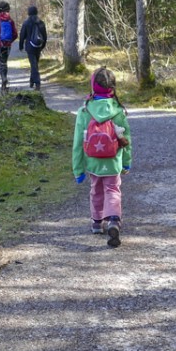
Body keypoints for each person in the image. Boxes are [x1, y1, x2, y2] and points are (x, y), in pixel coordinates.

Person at [72, 67, 132, 247]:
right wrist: (126, 163)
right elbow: (126, 139)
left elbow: (77, 143)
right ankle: (114, 220)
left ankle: (97, 222)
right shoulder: (119, 111)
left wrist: (78, 169)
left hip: (93, 162)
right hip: (113, 161)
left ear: (93, 87)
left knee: (95, 190)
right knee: (113, 190)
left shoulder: (84, 111)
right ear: (112, 88)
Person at [17, 5, 47, 90]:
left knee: (33, 65)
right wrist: (43, 45)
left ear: (28, 13)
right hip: (38, 47)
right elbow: (44, 36)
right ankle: (31, 81)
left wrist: (21, 46)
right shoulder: (41, 22)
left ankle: (37, 83)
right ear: (36, 12)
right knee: (34, 64)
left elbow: (22, 35)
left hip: (30, 47)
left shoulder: (26, 23)